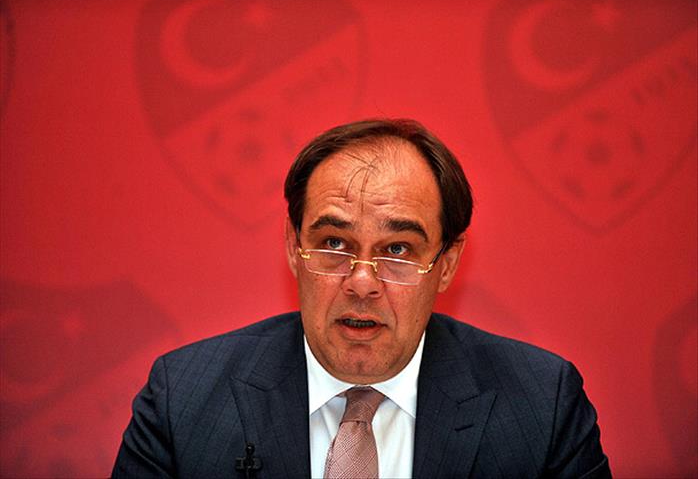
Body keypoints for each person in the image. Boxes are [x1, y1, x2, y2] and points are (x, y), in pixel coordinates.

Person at [112, 119, 611, 478]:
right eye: (334, 243)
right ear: (293, 247)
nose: (362, 282)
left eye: (397, 250)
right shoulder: (184, 400)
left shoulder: (541, 406)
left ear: (447, 264)